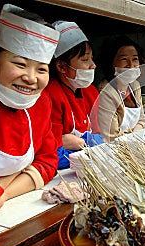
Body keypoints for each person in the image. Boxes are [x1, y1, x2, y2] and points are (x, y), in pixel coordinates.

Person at [0, 4, 60, 219]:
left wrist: (2, 194)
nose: (31, 78)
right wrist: (21, 174)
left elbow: (49, 162)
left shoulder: (41, 102)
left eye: (41, 69)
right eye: (20, 64)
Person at [43, 21, 102, 169]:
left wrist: (81, 142)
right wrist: (84, 144)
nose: (93, 65)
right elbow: (50, 149)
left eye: (91, 58)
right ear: (61, 66)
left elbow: (101, 134)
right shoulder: (49, 95)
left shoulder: (91, 92)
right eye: (85, 60)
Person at [90, 35, 145, 142]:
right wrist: (134, 136)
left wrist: (137, 132)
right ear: (112, 62)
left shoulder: (135, 86)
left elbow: (142, 119)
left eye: (135, 59)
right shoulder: (106, 92)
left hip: (135, 142)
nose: (130, 65)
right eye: (124, 59)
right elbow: (110, 135)